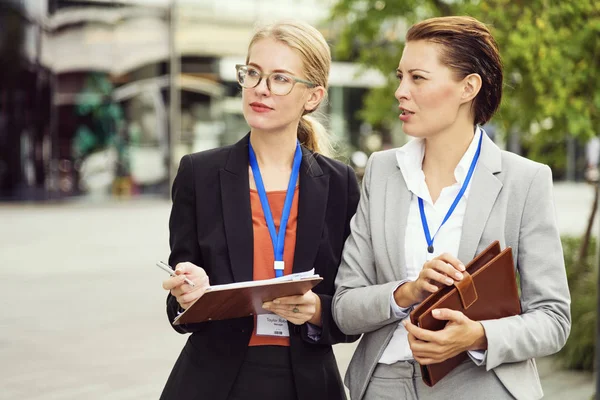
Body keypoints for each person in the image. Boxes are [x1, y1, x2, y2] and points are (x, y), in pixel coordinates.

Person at [332, 16, 571, 400]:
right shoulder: (381, 171)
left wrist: (476, 336)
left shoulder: (524, 180)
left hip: (479, 384)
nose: (400, 91)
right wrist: (407, 292)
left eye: (418, 78)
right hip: (383, 385)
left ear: (468, 87)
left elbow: (554, 319)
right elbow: (344, 307)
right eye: (400, 77)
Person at [160, 21, 360, 400]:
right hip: (214, 383)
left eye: (280, 78)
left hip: (307, 384)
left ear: (313, 96)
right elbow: (177, 305)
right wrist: (188, 293)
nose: (260, 89)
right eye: (253, 73)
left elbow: (351, 312)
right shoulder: (198, 174)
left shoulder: (339, 183)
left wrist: (317, 309)